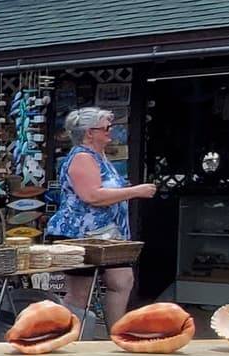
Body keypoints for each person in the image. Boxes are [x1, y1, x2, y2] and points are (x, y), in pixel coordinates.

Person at [51, 105, 157, 330]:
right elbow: (92, 196)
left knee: (122, 281)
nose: (111, 131)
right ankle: (70, 344)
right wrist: (135, 191)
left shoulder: (98, 157)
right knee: (80, 294)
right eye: (106, 127)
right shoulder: (82, 157)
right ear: (90, 132)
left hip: (108, 235)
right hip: (81, 235)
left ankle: (117, 335)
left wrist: (121, 191)